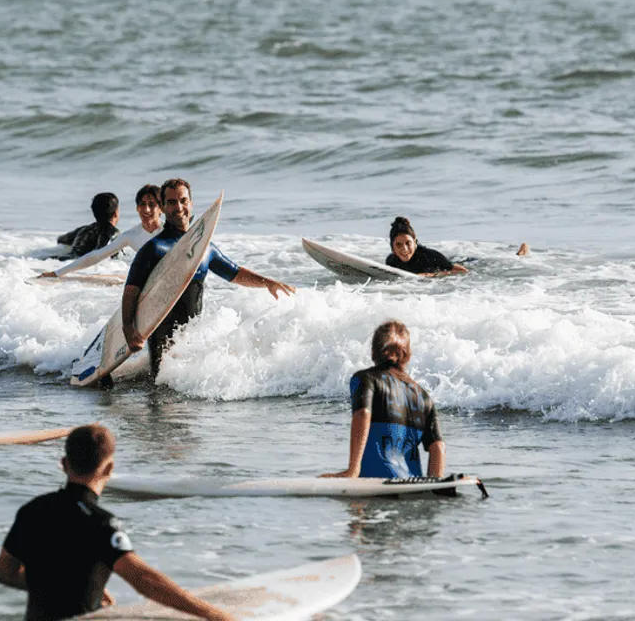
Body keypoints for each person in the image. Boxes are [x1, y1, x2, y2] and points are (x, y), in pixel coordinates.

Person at [0, 424, 232, 621]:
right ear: (109, 468)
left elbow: (6, 573)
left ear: (64, 464)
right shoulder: (101, 523)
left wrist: (71, 583)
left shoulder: (31, 511)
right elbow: (144, 580)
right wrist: (214, 615)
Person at [122, 178, 295, 379]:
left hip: (191, 338)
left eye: (183, 200)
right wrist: (128, 328)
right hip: (162, 341)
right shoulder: (154, 249)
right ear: (163, 207)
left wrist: (268, 283)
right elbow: (131, 289)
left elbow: (234, 273)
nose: (178, 207)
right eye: (171, 202)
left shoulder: (204, 249)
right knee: (161, 393)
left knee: (188, 395)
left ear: (191, 203)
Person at [322, 320, 445, 478]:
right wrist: (435, 485)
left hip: (374, 482)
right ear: (407, 355)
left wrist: (353, 470)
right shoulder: (423, 396)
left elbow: (363, 414)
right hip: (411, 484)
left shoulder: (366, 379)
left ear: (373, 352)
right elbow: (438, 447)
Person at [39, 185, 162, 279]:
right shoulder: (129, 236)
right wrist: (57, 273)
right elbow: (96, 256)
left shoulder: (172, 230)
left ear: (161, 208)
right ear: (137, 208)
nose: (146, 209)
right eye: (142, 204)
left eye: (152, 204)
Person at [384, 217, 469, 276]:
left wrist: (433, 275)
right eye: (398, 244)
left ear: (414, 241)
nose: (404, 249)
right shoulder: (391, 261)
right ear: (392, 247)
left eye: (408, 243)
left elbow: (462, 271)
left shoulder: (430, 256)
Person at [54, 193, 121, 261]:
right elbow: (99, 255)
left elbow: (60, 240)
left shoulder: (83, 230)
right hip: (82, 266)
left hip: (63, 259)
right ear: (116, 213)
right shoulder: (113, 233)